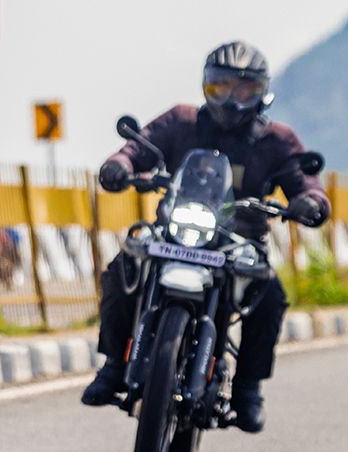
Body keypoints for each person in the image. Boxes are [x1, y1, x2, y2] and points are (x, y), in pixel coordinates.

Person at [79, 41, 330, 432]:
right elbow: (135, 148)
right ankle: (113, 364)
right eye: (221, 87)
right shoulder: (180, 122)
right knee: (122, 269)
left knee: (271, 298)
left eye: (244, 89)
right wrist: (119, 165)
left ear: (262, 92)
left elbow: (305, 182)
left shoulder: (275, 140)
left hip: (239, 243)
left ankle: (248, 388)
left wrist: (311, 202)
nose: (232, 99)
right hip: (177, 234)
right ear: (205, 86)